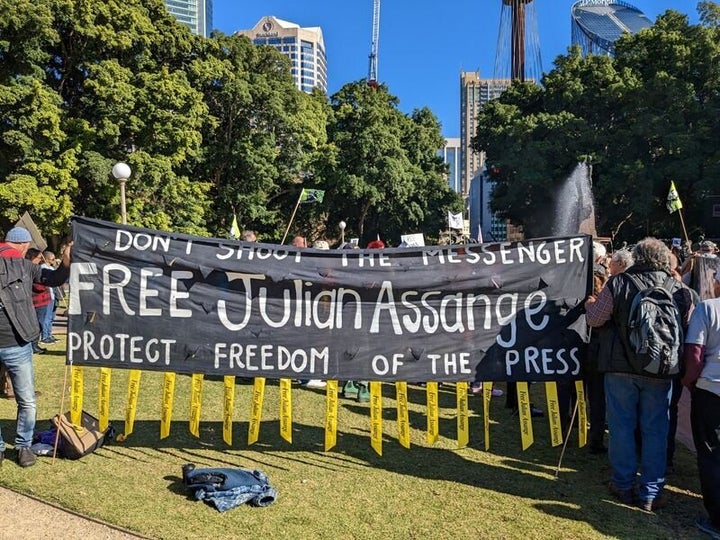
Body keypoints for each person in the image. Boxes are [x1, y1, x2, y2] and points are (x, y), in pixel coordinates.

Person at [584, 237, 693, 511]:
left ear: (637, 258)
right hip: (662, 369)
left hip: (620, 368)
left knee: (621, 426)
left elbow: (596, 319)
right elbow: (688, 327)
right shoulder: (679, 288)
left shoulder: (619, 283)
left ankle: (623, 484)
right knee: (656, 429)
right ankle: (651, 491)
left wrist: (589, 305)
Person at [0, 227, 72, 467]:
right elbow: (54, 279)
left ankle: (14, 446)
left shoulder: (24, 266)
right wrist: (66, 264)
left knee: (27, 399)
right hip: (17, 342)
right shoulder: (22, 264)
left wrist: (65, 264)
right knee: (27, 399)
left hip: (17, 342)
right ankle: (22, 446)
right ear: (23, 246)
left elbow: (51, 280)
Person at [682, 268, 720, 539]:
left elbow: (695, 352)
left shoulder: (708, 308)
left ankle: (717, 518)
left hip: (711, 390)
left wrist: (689, 382)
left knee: (710, 453)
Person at [25, 248, 51, 355]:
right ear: (33, 257)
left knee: (39, 324)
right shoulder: (31, 269)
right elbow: (38, 287)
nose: (40, 260)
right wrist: (47, 283)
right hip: (37, 302)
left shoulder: (34, 268)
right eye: (39, 258)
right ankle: (33, 345)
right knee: (37, 324)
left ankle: (35, 344)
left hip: (42, 301)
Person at [40, 250, 59, 344]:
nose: (54, 260)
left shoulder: (51, 268)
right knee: (46, 317)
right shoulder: (43, 268)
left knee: (52, 316)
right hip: (48, 296)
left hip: (54, 295)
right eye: (52, 259)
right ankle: (44, 336)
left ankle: (49, 334)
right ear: (47, 259)